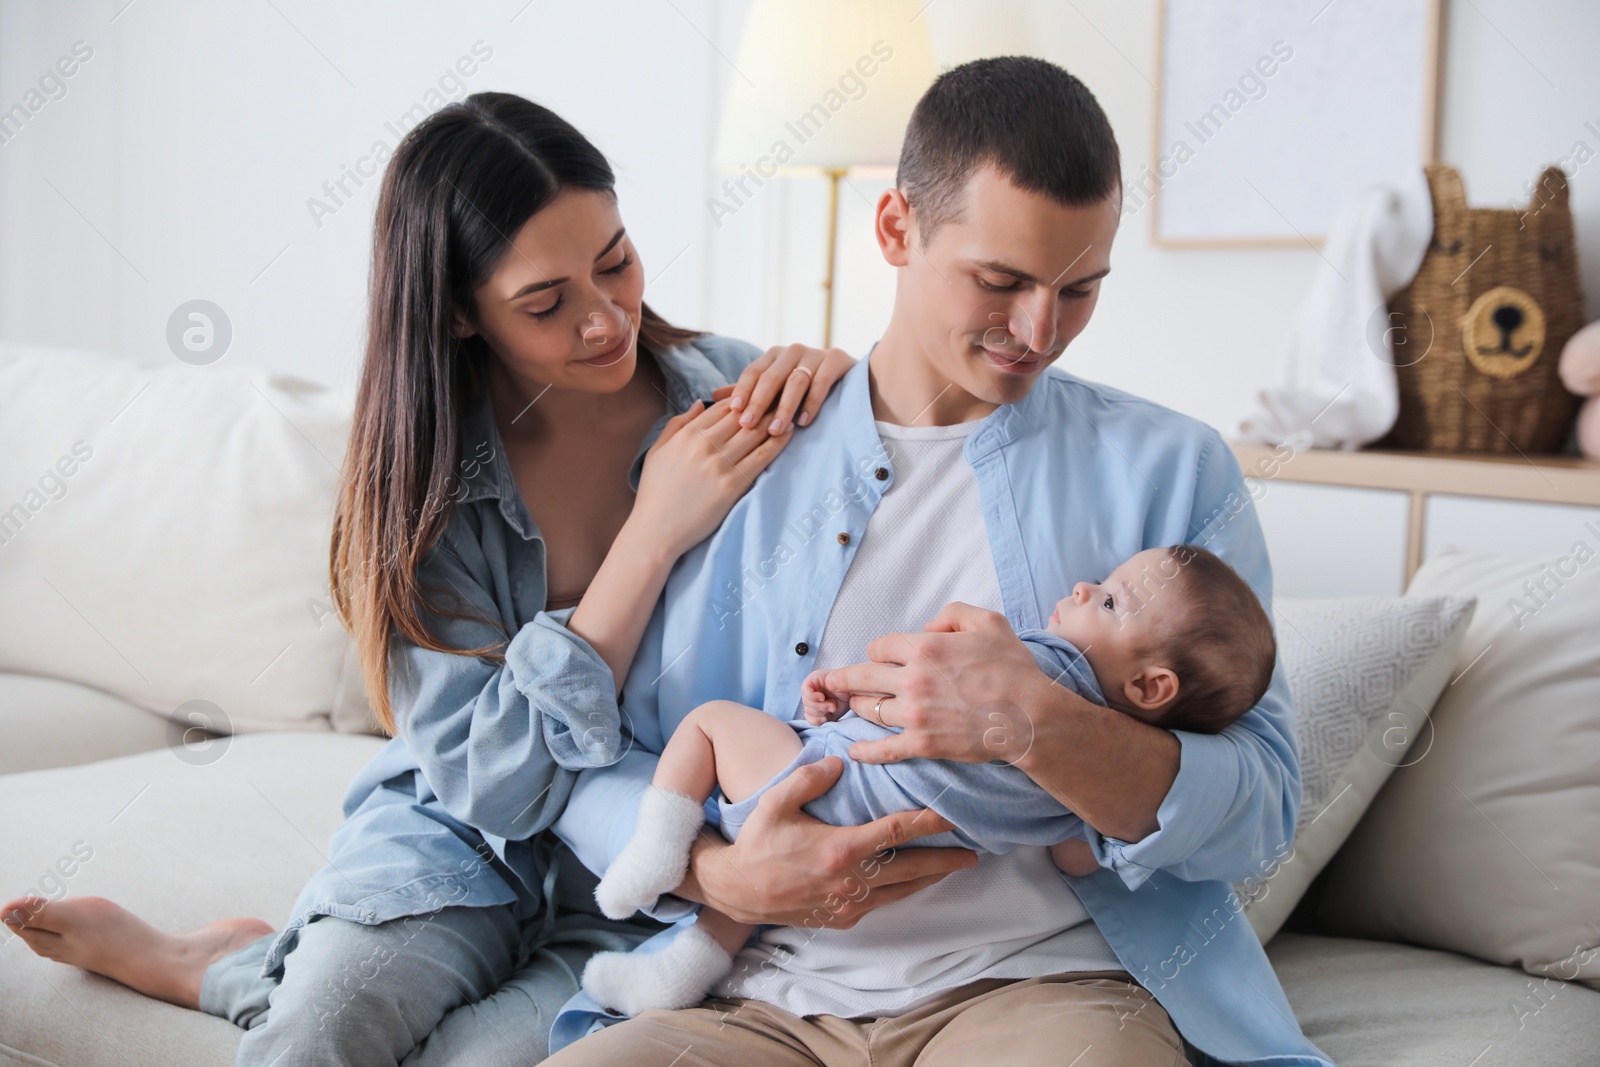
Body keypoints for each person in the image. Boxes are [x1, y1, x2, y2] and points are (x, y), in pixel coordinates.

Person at [0, 94, 968, 1065]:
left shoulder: (733, 398)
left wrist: (854, 390)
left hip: (650, 871)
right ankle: (266, 971)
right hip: (456, 834)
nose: (605, 319)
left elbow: (879, 524)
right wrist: (650, 537)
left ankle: (243, 966)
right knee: (317, 1036)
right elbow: (495, 782)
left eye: (617, 261)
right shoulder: (418, 486)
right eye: (545, 303)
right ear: (460, 312)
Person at [542, 57, 1335, 1066]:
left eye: (1079, 288)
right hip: (751, 997)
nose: (1039, 330)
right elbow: (580, 755)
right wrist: (717, 872)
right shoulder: (730, 455)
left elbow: (1258, 807)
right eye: (999, 282)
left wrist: (1038, 722)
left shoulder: (1170, 474)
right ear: (894, 230)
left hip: (1044, 990)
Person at [581, 543, 1279, 1014]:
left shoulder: (1035, 660)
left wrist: (842, 691)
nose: (1083, 586)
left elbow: (918, 685)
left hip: (820, 778)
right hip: (892, 854)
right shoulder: (1087, 793)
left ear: (1153, 685)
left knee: (707, 723)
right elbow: (1075, 857)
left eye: (1111, 602)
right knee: (762, 882)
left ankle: (658, 848)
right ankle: (686, 951)